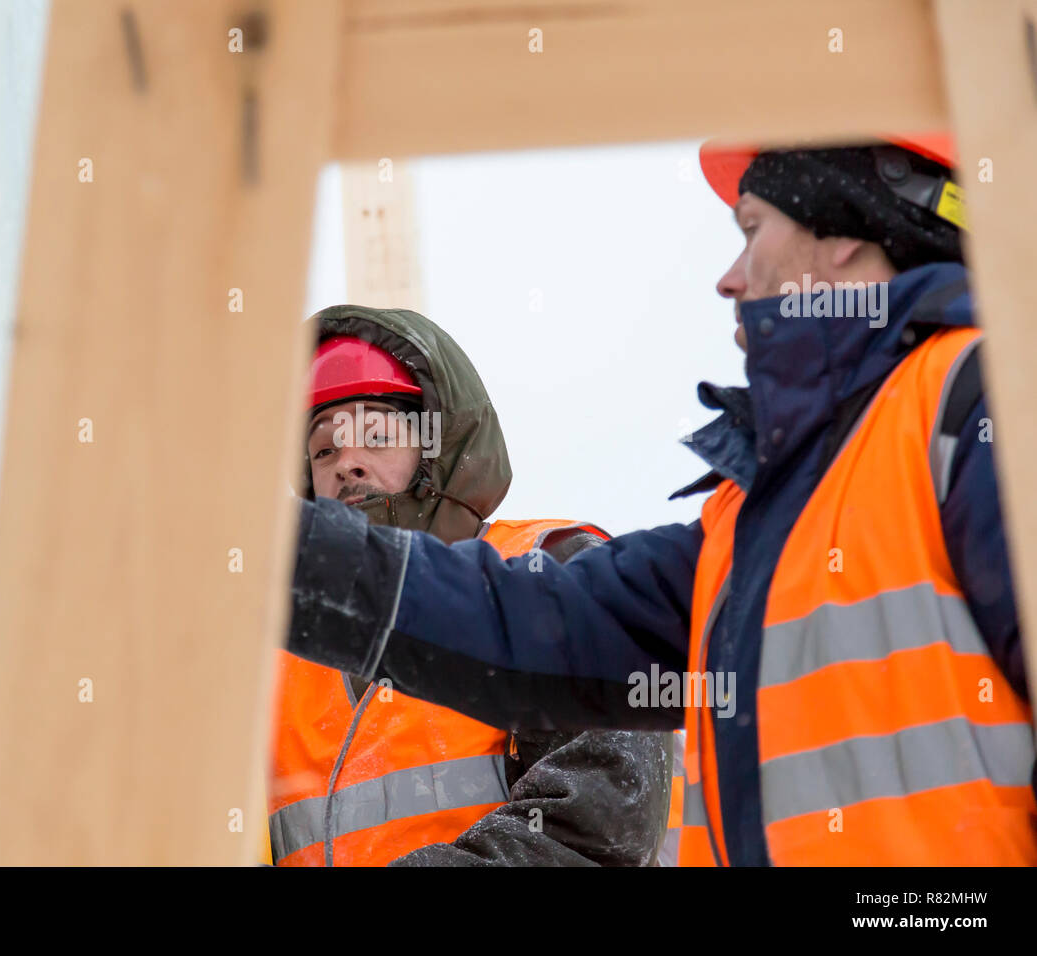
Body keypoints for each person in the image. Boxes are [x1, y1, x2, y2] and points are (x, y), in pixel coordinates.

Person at [281, 136, 1037, 866]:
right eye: (322, 446)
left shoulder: (980, 407)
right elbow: (532, 627)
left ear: (841, 237)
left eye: (752, 231)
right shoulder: (757, 523)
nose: (730, 277)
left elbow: (591, 804)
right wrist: (268, 548)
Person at [268, 304, 673, 866]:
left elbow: (595, 827)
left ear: (441, 447)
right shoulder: (274, 654)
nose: (347, 464)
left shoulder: (551, 569)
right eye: (323, 449)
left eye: (377, 436)